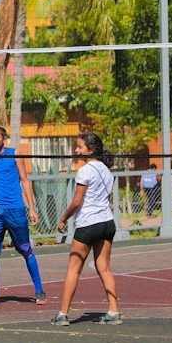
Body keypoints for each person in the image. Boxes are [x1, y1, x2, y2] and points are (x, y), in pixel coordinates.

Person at [51, 132, 120, 326]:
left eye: (80, 147)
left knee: (73, 269)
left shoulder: (85, 170)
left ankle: (62, 315)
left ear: (91, 150)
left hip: (89, 224)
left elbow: (77, 201)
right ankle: (113, 312)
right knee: (104, 268)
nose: (76, 150)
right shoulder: (107, 171)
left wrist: (63, 218)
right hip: (107, 223)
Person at [0, 125, 46, 307]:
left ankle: (39, 291)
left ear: (4, 139)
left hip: (15, 210)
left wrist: (32, 208)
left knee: (26, 250)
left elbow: (25, 180)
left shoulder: (15, 154)